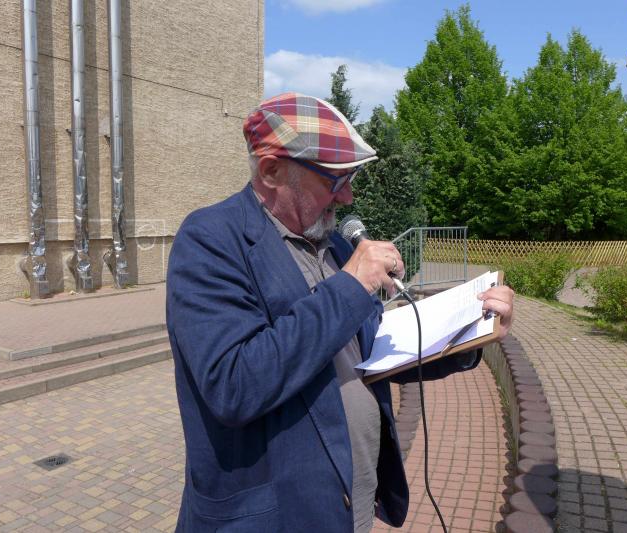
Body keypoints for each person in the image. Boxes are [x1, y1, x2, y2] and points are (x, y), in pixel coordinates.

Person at [166, 92, 515, 532]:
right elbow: (233, 383)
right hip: (275, 518)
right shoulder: (210, 239)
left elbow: (372, 352)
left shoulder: (334, 244)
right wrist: (351, 285)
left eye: (350, 177)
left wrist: (469, 332)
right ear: (271, 171)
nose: (348, 197)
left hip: (351, 501)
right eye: (334, 180)